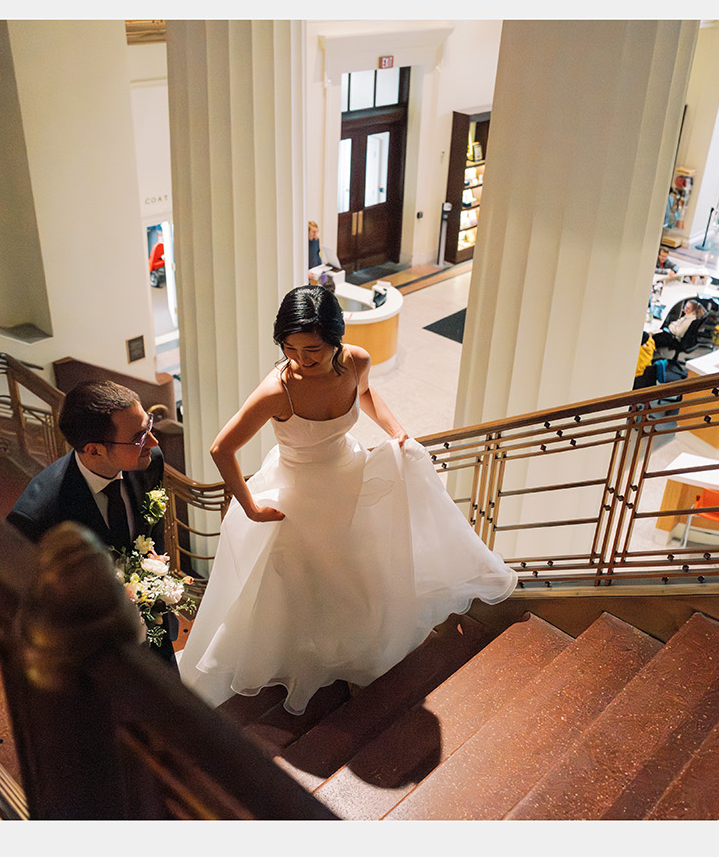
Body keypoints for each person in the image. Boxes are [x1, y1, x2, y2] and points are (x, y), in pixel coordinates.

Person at [176, 286, 517, 713]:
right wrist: (249, 506)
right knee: (307, 585)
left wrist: (394, 430)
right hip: (298, 498)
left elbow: (368, 394)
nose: (301, 358)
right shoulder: (277, 391)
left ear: (336, 339)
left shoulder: (356, 361)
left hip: (349, 477)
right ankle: (305, 658)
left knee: (358, 576)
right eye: (290, 348)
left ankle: (357, 658)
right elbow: (221, 449)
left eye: (313, 349)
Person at [6, 380, 179, 666]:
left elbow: (153, 530)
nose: (154, 442)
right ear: (95, 450)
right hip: (94, 652)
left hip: (154, 624)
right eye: (139, 437)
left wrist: (156, 586)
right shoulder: (38, 514)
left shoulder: (150, 461)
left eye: (148, 425)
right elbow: (28, 601)